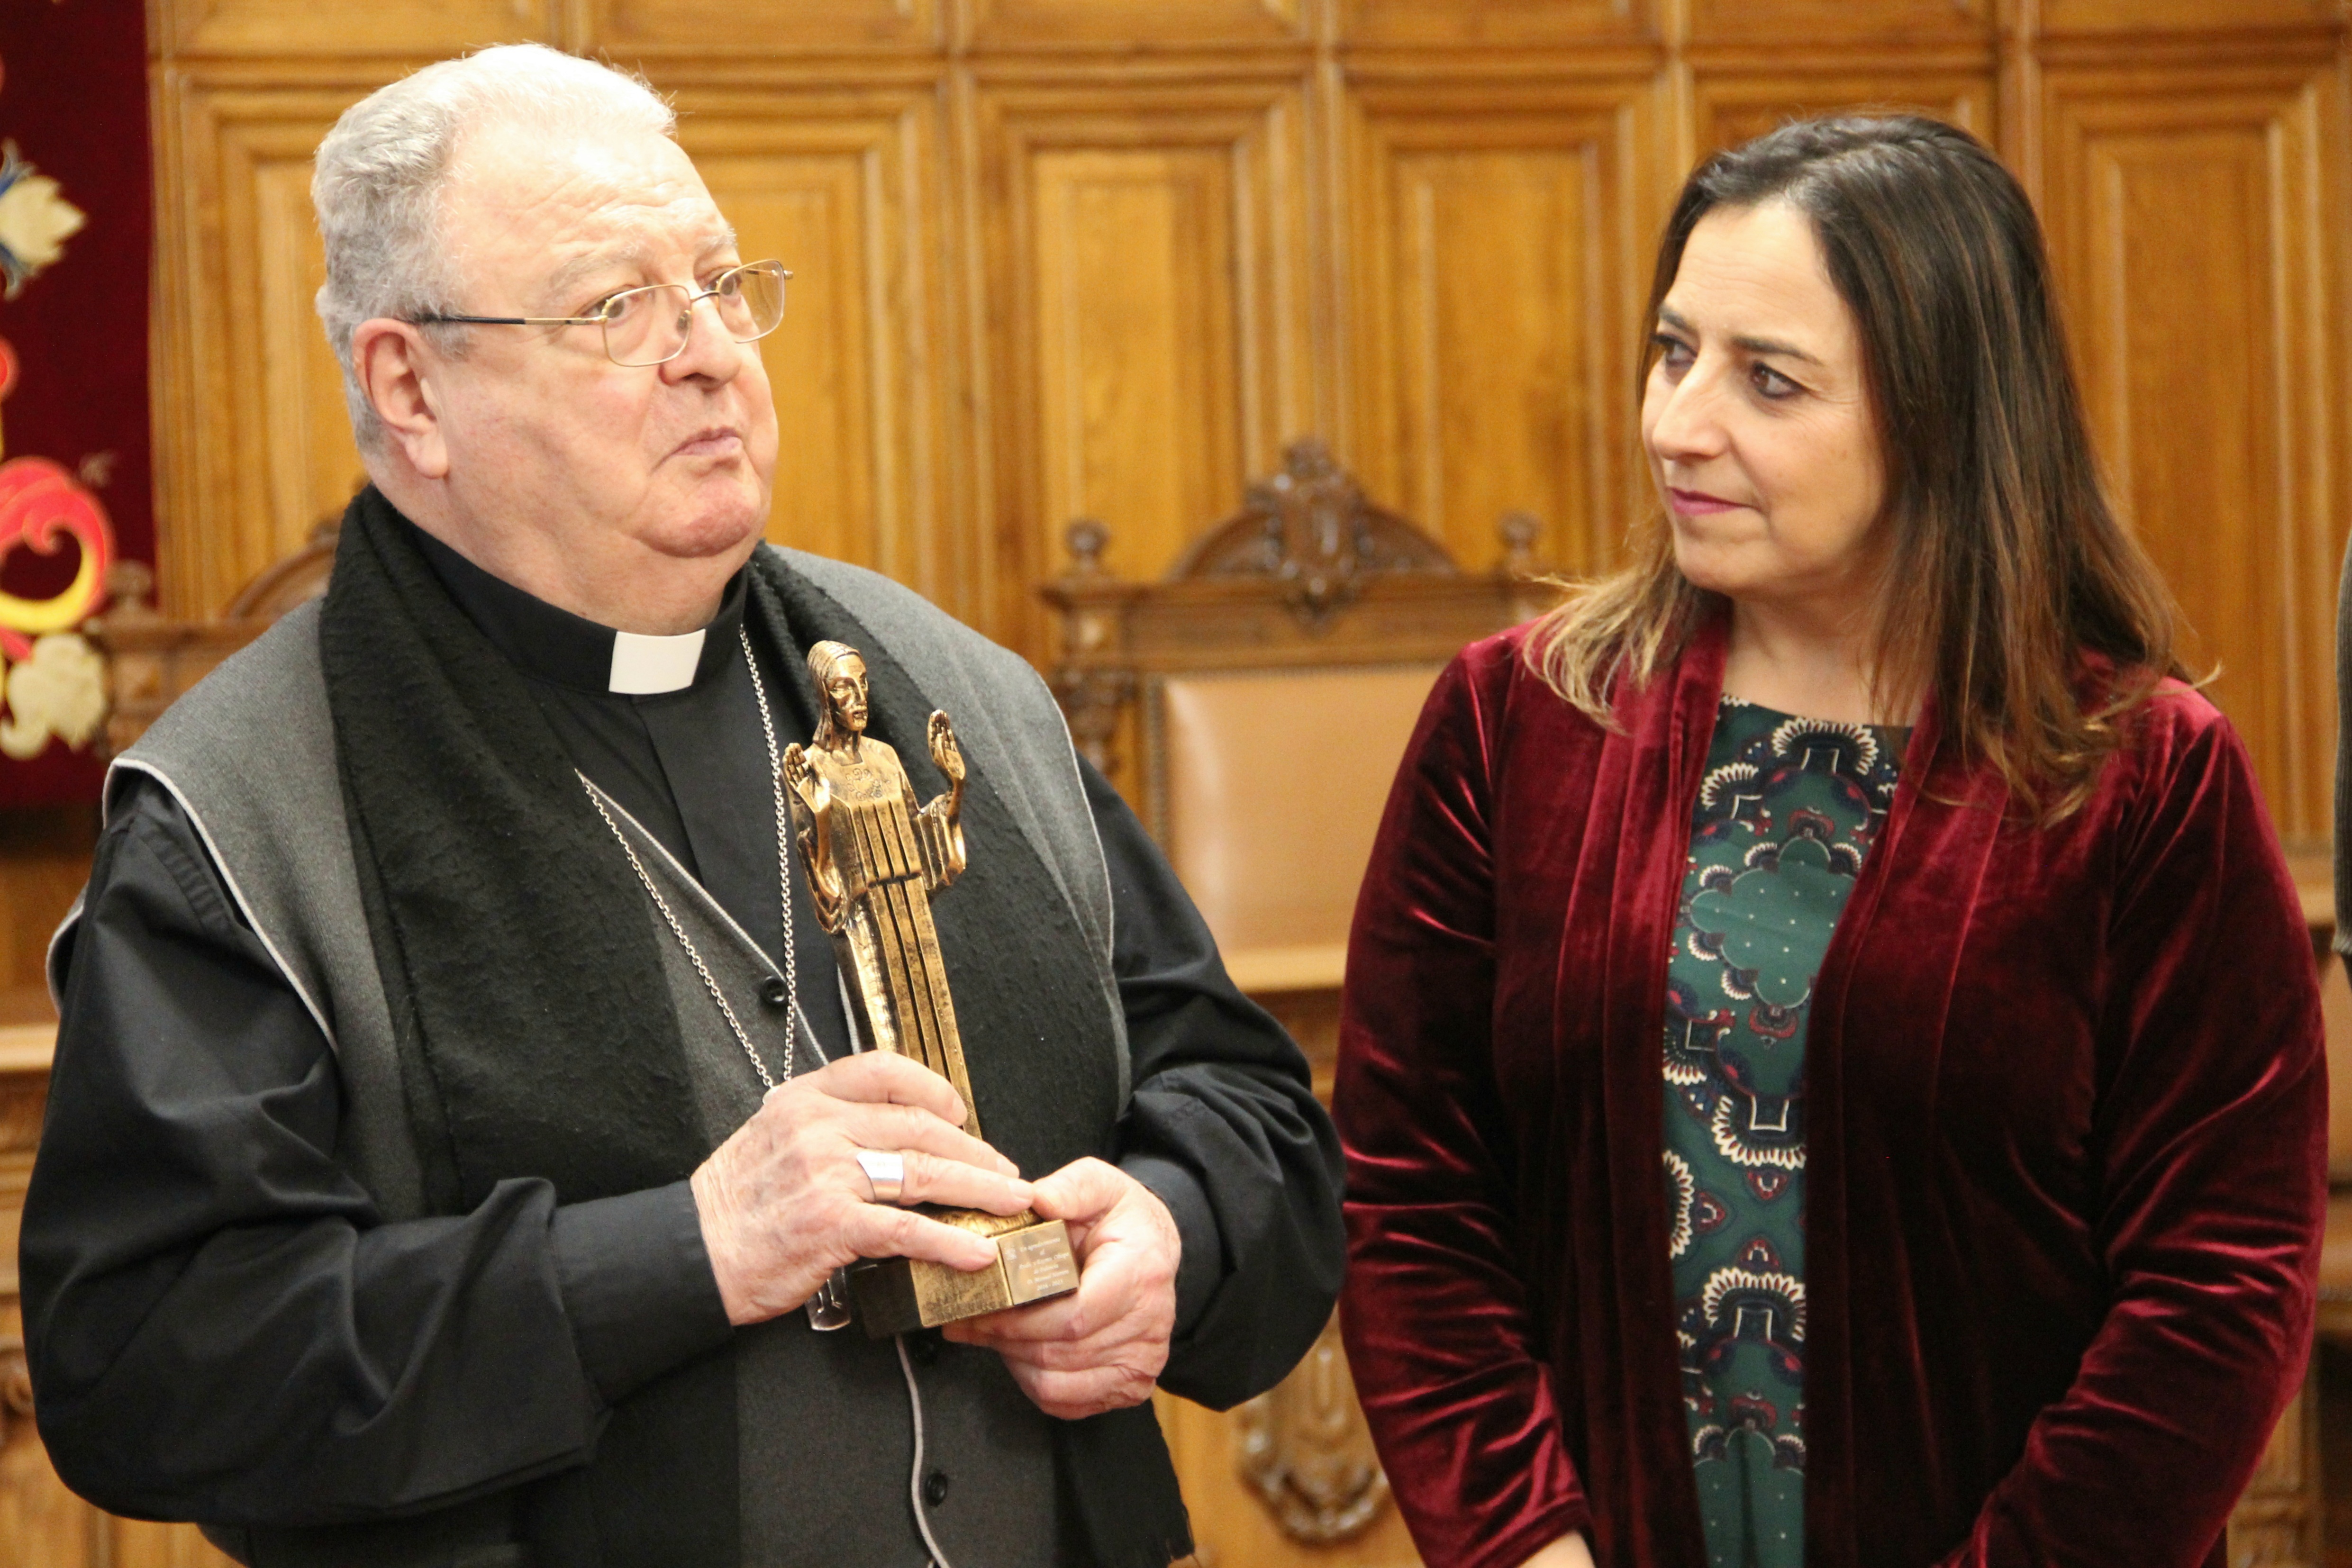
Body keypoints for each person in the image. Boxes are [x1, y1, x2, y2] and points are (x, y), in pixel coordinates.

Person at [21, 44, 1344, 1568]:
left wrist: (1172, 1228)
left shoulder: (940, 696)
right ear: (410, 386)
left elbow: (1254, 1111)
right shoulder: (241, 811)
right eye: (614, 308)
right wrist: (690, 1249)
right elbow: (150, 1360)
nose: (709, 350)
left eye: (720, 284)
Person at [1334, 115, 2324, 1568]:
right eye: (1672, 352)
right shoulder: (1514, 721)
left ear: (1940, 413)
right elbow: (1410, 1194)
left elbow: (2216, 1288)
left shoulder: (2143, 774)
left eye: (1767, 380)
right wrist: (1521, 1550)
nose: (1678, 422)